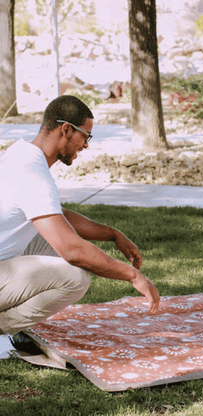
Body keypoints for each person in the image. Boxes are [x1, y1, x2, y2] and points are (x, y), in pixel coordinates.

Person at [0, 95, 160, 345]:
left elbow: (57, 215)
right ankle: (5, 329)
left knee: (57, 244)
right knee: (74, 277)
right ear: (66, 129)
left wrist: (113, 234)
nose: (85, 145)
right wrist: (133, 276)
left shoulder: (22, 153)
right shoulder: (32, 173)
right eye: (85, 136)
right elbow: (73, 250)